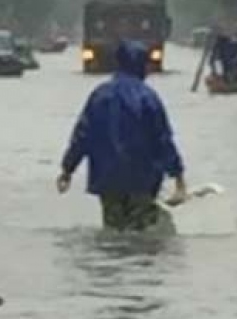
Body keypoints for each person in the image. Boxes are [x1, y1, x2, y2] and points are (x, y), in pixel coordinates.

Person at [57, 40, 188, 232]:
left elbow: (82, 136)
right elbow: (163, 140)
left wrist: (67, 170)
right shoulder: (148, 98)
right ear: (142, 65)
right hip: (142, 179)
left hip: (107, 178)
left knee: (113, 230)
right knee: (141, 233)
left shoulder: (99, 95)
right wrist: (178, 177)